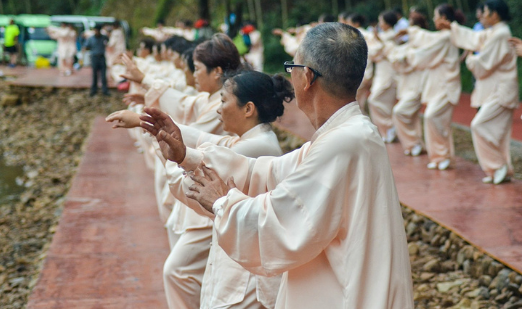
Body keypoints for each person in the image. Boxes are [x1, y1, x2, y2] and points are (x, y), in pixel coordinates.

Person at [141, 22, 414, 309]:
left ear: (307, 77)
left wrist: (223, 203)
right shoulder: (349, 134)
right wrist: (187, 157)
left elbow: (280, 224)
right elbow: (266, 172)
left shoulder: (343, 143)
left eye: (291, 68)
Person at [439, 0, 518, 184]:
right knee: (495, 131)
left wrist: (471, 61)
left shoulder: (500, 34)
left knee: (480, 125)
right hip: (497, 90)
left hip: (501, 90)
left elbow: (483, 65)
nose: (482, 16)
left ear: (495, 14)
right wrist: (452, 27)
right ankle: (499, 168)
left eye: (485, 12)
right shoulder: (494, 32)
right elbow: (475, 39)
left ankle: (497, 166)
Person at [367, 10, 398, 142]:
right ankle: (386, 130)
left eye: (381, 22)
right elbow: (373, 53)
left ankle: (389, 127)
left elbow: (376, 51)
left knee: (375, 100)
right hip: (381, 72)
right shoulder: (383, 36)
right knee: (380, 101)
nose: (379, 24)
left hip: (388, 72)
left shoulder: (392, 36)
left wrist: (378, 41)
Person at [84, 25, 109, 96]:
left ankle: (105, 90)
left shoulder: (103, 37)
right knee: (94, 75)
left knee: (103, 75)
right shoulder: (91, 39)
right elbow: (87, 46)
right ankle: (94, 90)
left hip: (101, 57)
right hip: (94, 57)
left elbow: (108, 41)